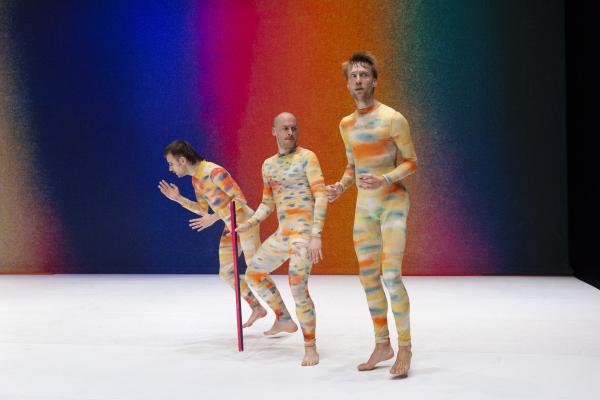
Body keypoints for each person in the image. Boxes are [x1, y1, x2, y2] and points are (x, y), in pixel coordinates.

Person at [326, 52, 418, 377]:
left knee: (391, 275)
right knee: (367, 276)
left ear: (375, 80)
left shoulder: (393, 118)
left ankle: (405, 347)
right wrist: (340, 186)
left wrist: (385, 178)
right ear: (347, 84)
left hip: (392, 203)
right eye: (353, 76)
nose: (358, 80)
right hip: (365, 207)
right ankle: (383, 344)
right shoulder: (346, 124)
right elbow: (353, 166)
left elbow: (411, 161)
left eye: (364, 75)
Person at [237, 113, 327, 366]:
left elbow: (320, 195)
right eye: (285, 128)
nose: (290, 132)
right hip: (283, 234)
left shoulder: (307, 157)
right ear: (274, 131)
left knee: (298, 286)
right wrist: (250, 223)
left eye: (294, 128)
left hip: (303, 235)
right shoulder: (268, 165)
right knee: (254, 273)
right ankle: (284, 318)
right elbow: (268, 203)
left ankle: (310, 347)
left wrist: (316, 235)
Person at [159, 139, 269, 328]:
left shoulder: (214, 172)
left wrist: (214, 217)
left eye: (171, 163)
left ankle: (283, 316)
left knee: (255, 273)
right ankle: (257, 308)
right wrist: (178, 199)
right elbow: (202, 210)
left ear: (182, 160)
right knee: (226, 272)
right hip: (230, 225)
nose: (170, 169)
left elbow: (239, 200)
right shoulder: (196, 179)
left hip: (245, 223)